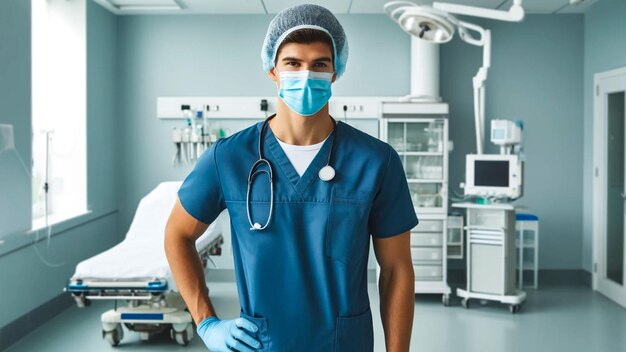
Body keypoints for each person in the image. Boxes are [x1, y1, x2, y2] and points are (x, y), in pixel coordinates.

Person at [164, 4, 418, 351]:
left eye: (319, 64)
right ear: (272, 70)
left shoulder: (376, 161)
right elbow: (177, 234)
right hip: (262, 344)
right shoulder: (228, 158)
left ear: (336, 71)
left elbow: (396, 270)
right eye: (293, 63)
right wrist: (206, 321)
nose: (306, 74)